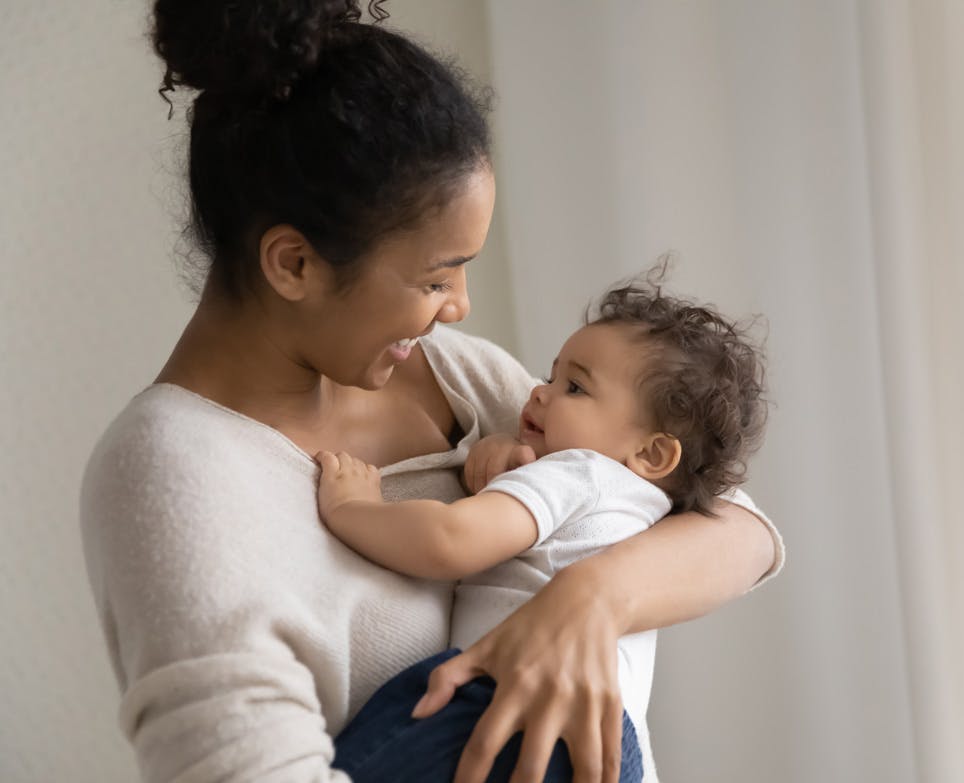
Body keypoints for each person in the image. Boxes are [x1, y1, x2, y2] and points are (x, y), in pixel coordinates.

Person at [79, 2, 784, 782]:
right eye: (434, 276)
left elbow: (736, 528)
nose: (458, 305)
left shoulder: (452, 371)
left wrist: (591, 599)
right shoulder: (172, 471)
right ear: (295, 264)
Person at [317, 277, 769, 782]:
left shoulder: (581, 470)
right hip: (611, 748)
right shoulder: (655, 508)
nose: (538, 390)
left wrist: (352, 508)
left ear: (652, 454)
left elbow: (450, 541)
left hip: (511, 707)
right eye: (550, 376)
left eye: (574, 388)